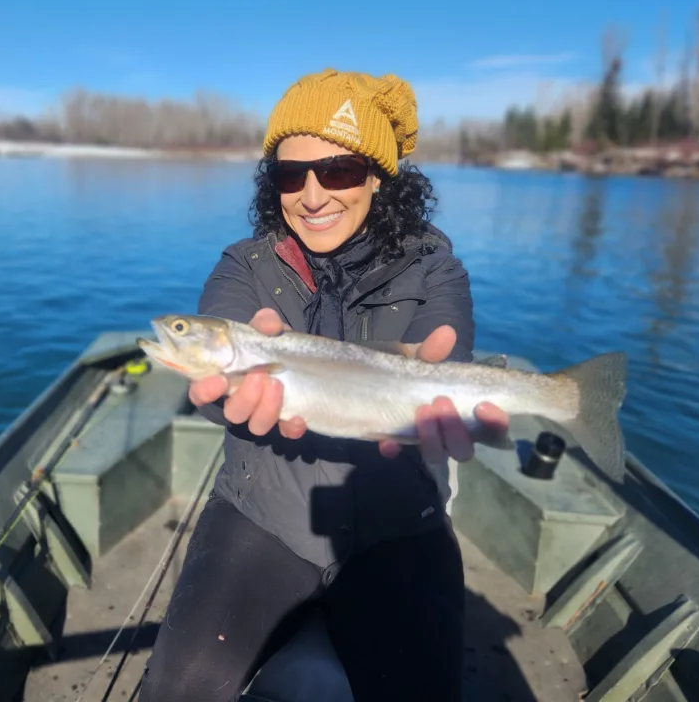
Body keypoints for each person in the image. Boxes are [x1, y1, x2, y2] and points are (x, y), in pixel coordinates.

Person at [138, 69, 510, 702]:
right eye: (290, 175)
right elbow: (222, 363)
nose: (311, 196)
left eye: (336, 171)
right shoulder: (243, 266)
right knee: (180, 689)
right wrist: (230, 393)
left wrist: (440, 392)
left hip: (401, 525)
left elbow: (443, 355)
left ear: (378, 178)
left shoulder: (437, 271)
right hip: (263, 516)